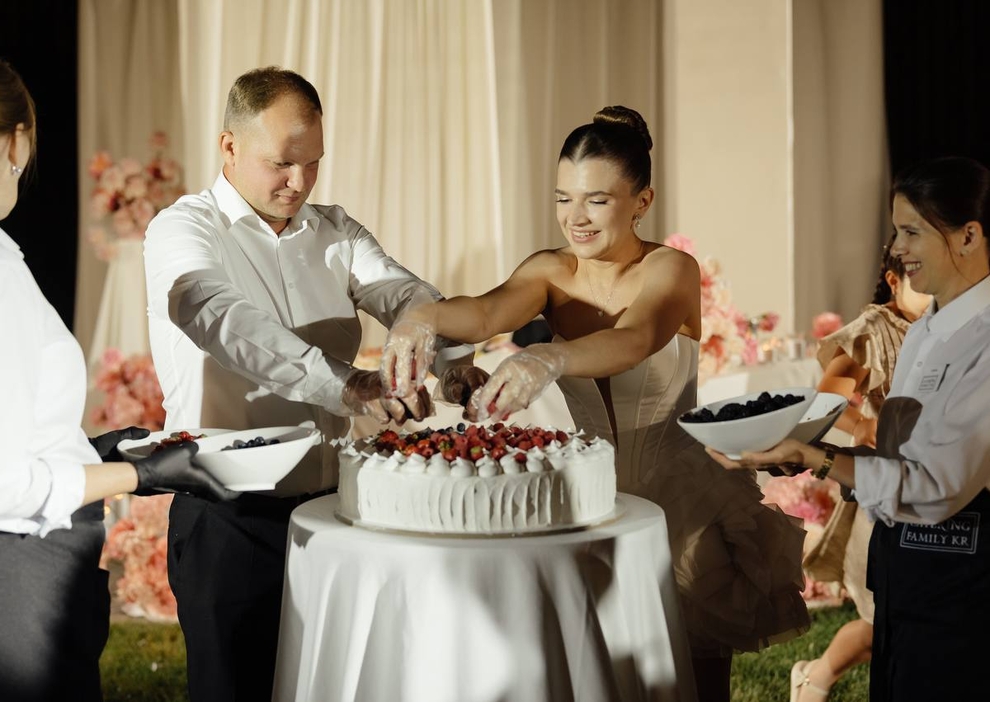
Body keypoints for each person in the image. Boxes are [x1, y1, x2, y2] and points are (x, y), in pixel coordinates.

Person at [378, 105, 811, 702]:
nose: (575, 218)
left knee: (691, 678)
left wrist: (548, 357)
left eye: (596, 201)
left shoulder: (671, 269)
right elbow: (482, 313)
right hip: (586, 495)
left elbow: (634, 339)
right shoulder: (550, 271)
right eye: (563, 198)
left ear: (642, 201)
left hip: (680, 499)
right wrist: (421, 317)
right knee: (587, 673)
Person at [143, 66, 482, 702]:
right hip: (229, 516)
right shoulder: (182, 230)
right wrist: (347, 386)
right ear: (229, 147)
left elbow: (405, 294)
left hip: (333, 510)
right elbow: (217, 316)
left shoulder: (336, 232)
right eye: (281, 163)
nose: (299, 182)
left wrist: (451, 358)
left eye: (313, 162)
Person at [709, 155, 990, 702]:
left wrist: (819, 453)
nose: (897, 248)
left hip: (960, 575)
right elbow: (835, 407)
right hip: (897, 548)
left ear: (969, 235)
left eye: (911, 231)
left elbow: (937, 485)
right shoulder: (916, 330)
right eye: (896, 233)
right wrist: (801, 446)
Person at [0, 58, 237, 702]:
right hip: (20, 582)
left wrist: (98, 450)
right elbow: (9, 484)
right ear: (17, 142)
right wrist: (141, 474)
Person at [791, 236, 931, 700]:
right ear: (894, 280)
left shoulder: (947, 325)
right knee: (880, 620)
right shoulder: (876, 330)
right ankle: (815, 677)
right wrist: (864, 425)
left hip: (930, 487)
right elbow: (827, 399)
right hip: (883, 493)